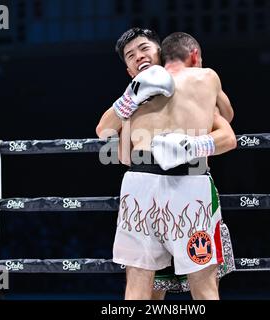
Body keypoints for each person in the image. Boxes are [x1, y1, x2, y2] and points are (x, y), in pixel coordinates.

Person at [96, 29, 236, 299]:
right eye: (131, 56)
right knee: (143, 285)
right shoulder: (132, 96)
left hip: (185, 180)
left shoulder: (198, 82)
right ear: (129, 71)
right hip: (143, 183)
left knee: (202, 282)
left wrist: (189, 146)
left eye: (144, 49)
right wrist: (131, 98)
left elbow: (227, 126)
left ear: (160, 52)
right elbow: (105, 134)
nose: (139, 57)